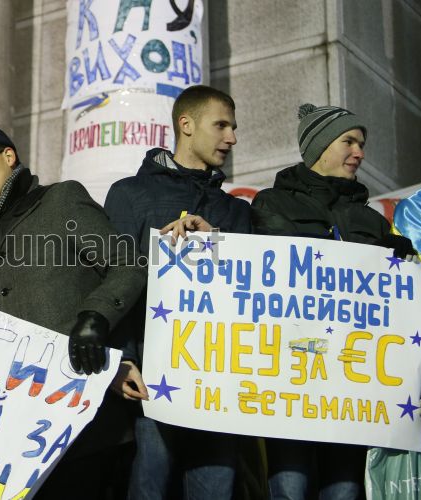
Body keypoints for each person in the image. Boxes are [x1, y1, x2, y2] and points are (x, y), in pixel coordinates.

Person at [0, 124, 146, 498]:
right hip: (19, 429)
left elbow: (127, 264)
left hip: (84, 418)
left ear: (9, 156)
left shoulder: (61, 200)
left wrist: (96, 316)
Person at [251, 103, 417, 499]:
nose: (359, 152)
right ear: (319, 146)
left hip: (352, 383)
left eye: (362, 144)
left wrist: (401, 260)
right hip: (291, 377)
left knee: (344, 491)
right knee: (290, 488)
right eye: (349, 141)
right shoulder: (272, 204)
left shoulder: (373, 221)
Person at [103, 85, 253, 499]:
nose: (232, 138)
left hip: (220, 382)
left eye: (234, 128)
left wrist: (216, 240)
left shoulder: (236, 211)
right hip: (152, 380)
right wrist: (121, 359)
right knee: (148, 489)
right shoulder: (130, 195)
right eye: (221, 125)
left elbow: (252, 290)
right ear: (186, 125)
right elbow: (112, 282)